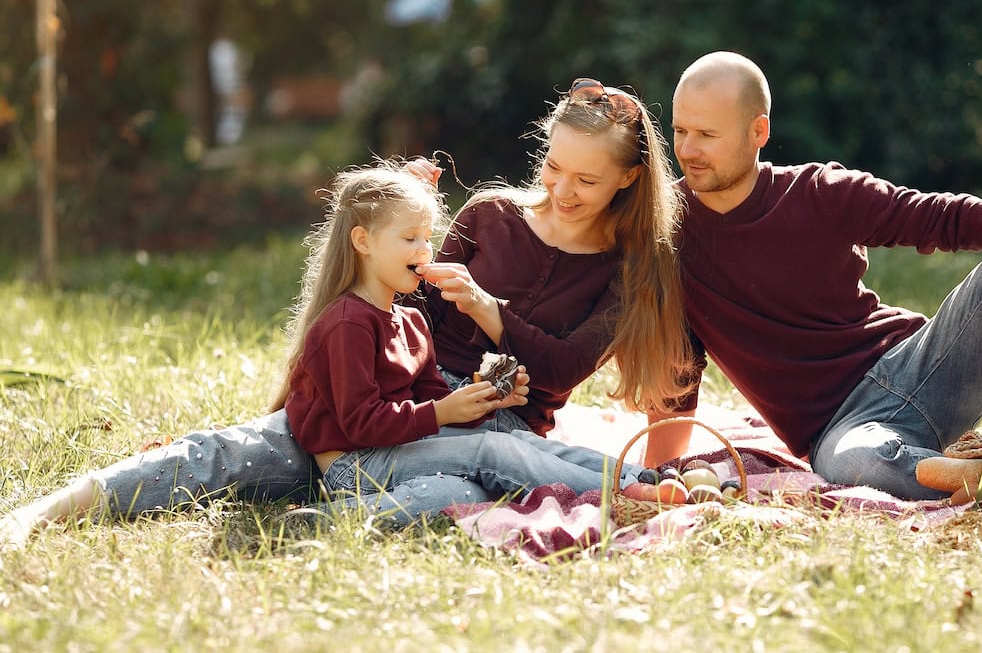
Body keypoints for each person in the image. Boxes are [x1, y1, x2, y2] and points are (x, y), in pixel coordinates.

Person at [1, 76, 691, 542]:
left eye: (587, 179)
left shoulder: (630, 267)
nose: (563, 190)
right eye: (553, 170)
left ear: (629, 179)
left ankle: (319, 518)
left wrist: (487, 309)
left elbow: (562, 370)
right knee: (232, 453)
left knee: (463, 478)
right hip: (390, 389)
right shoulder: (491, 212)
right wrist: (400, 216)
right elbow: (394, 302)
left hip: (488, 414)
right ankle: (54, 508)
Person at [642, 50, 982, 500]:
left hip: (920, 369)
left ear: (758, 131)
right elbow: (676, 367)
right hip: (840, 429)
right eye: (680, 131)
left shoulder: (820, 193)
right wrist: (659, 477)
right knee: (854, 467)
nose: (688, 149)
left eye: (707, 135)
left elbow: (942, 216)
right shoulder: (669, 233)